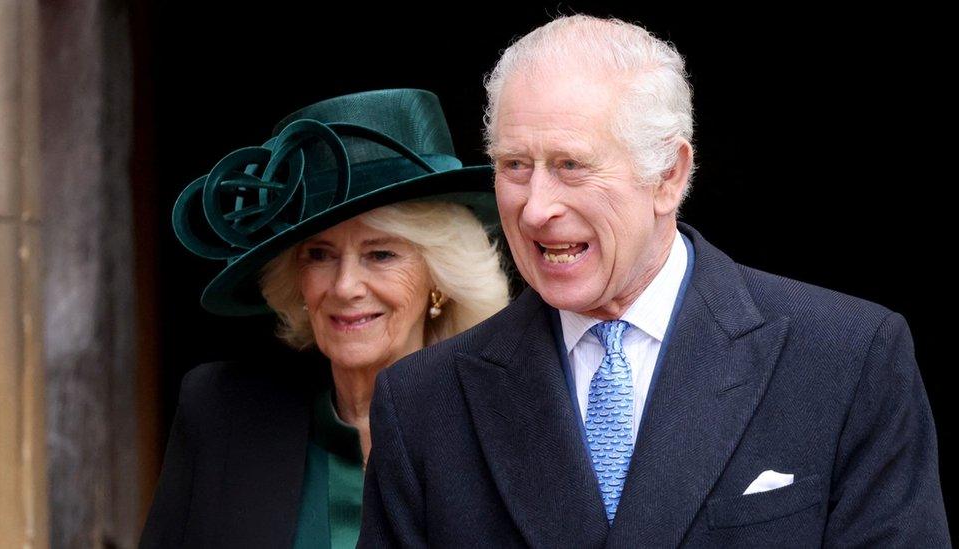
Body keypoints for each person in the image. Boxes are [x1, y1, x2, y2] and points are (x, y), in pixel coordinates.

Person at [358, 16, 949, 547]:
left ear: (669, 175)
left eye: (571, 165)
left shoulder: (846, 358)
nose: (535, 208)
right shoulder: (423, 403)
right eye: (515, 166)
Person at [139, 89, 510, 548]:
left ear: (440, 278)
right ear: (296, 280)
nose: (344, 286)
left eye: (380, 254)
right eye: (320, 255)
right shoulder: (221, 414)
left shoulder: (506, 428)